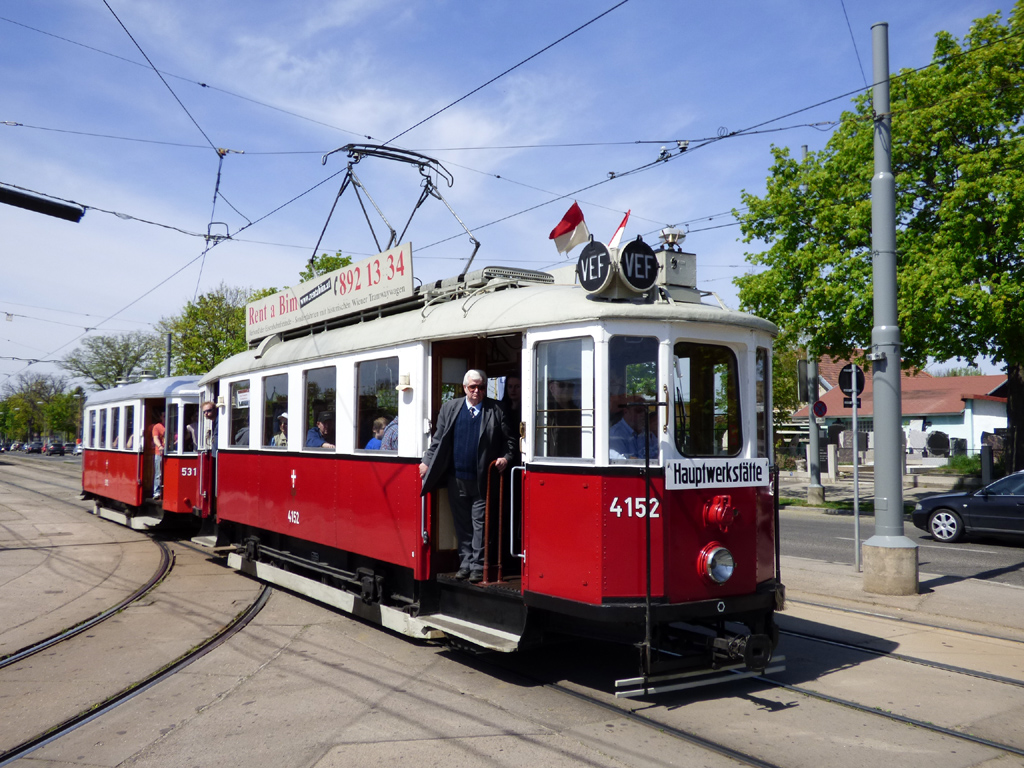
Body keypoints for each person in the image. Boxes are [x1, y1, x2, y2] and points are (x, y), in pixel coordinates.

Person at [419, 370, 516, 584]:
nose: (476, 391)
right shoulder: (450, 408)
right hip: (456, 478)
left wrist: (506, 459)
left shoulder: (496, 409)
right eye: (472, 387)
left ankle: (478, 567)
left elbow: (511, 442)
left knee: (480, 524)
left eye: (481, 387)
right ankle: (465, 563)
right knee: (462, 524)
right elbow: (438, 440)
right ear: (464, 388)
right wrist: (427, 462)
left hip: (483, 481)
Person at [547, 378, 582, 457]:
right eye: (562, 385)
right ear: (552, 388)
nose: (566, 389)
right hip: (554, 460)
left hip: (577, 459)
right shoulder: (546, 413)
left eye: (570, 385)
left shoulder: (578, 413)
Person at [152, 411, 165, 500]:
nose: (165, 417)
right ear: (161, 417)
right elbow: (155, 438)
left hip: (170, 453)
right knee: (159, 473)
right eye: (164, 415)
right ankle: (156, 492)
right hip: (159, 453)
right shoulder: (157, 427)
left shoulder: (173, 425)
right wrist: (160, 446)